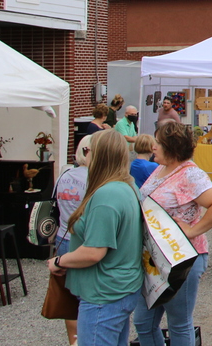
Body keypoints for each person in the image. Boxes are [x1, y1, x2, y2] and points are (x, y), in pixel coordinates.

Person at [134, 123, 212, 346]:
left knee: (178, 322)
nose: (153, 146)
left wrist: (192, 230)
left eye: (158, 143)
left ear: (171, 147)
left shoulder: (190, 174)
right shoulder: (160, 168)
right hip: (155, 259)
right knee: (143, 322)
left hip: (182, 259)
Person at [49, 130, 142, 346]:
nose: (83, 155)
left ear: (99, 155)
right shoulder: (128, 187)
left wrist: (58, 261)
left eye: (86, 150)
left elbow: (94, 252)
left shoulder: (106, 195)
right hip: (119, 286)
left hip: (104, 292)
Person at [52, 135, 93, 345]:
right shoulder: (94, 179)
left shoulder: (64, 175)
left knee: (70, 298)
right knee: (87, 297)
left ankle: (73, 340)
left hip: (62, 236)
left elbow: (55, 204)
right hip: (83, 241)